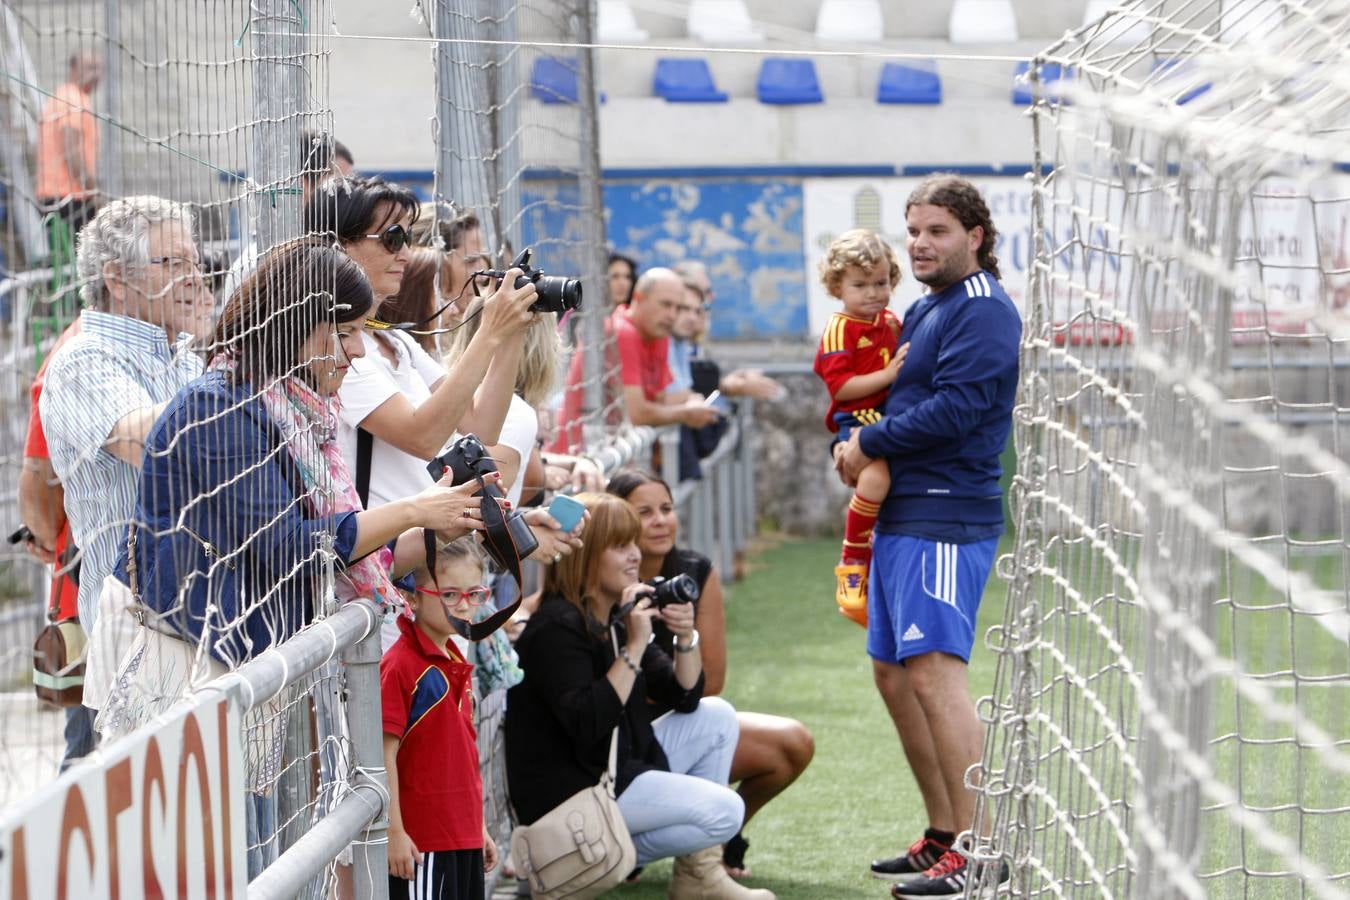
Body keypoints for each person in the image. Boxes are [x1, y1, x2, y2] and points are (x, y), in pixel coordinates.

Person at [834, 175, 1020, 897]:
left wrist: (867, 451)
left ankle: (981, 855)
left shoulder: (983, 310)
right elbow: (893, 398)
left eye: (937, 230)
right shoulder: (925, 306)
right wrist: (851, 437)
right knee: (895, 671)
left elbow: (959, 410)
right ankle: (944, 834)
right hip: (904, 511)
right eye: (914, 230)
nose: (920, 243)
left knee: (937, 671)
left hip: (946, 513)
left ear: (975, 236)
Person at [504, 494, 773, 900]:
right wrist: (633, 646)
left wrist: (685, 636)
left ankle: (697, 877)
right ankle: (577, 860)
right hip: (573, 798)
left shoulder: (614, 613)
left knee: (716, 716)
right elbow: (587, 724)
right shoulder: (557, 628)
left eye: (634, 543)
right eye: (620, 545)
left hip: (614, 770)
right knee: (725, 812)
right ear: (586, 555)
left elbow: (684, 695)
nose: (635, 555)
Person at [39, 195, 213, 717]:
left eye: (194, 263)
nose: (192, 278)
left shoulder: (183, 356)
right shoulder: (83, 359)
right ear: (117, 279)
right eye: (172, 263)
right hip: (143, 636)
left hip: (211, 624)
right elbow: (161, 446)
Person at [609, 469, 814, 883]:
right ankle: (640, 844)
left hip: (678, 717)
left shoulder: (693, 570)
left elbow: (711, 682)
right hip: (616, 739)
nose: (660, 520)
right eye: (644, 512)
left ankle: (719, 841)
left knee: (792, 742)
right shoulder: (601, 575)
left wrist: (681, 643)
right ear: (618, 521)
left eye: (666, 509)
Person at [302, 176, 533, 511]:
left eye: (407, 238)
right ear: (338, 244)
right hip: (379, 553)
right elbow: (423, 437)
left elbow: (481, 427)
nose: (407, 255)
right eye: (392, 238)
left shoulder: (395, 340)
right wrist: (489, 332)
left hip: (420, 548)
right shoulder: (334, 348)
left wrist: (512, 330)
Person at [383, 539, 498, 899]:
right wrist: (394, 832)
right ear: (413, 597)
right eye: (449, 595)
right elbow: (383, 755)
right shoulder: (401, 665)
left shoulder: (451, 657)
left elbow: (461, 759)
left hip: (461, 837)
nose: (464, 606)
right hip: (424, 843)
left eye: (473, 594)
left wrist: (477, 826)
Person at [813, 229, 906, 626]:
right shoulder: (839, 329)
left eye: (881, 283)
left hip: (893, 417)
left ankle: (880, 573)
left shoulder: (891, 320)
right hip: (859, 419)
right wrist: (887, 375)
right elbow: (842, 387)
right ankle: (852, 561)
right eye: (860, 285)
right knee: (875, 481)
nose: (873, 293)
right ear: (837, 287)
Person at [18, 319, 91, 769]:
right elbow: (37, 475)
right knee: (87, 747)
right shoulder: (76, 352)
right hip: (88, 580)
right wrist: (47, 534)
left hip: (94, 574)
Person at [554, 268, 720, 452]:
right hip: (578, 455)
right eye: (665, 305)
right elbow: (636, 413)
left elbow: (660, 400)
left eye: (677, 307)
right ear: (639, 298)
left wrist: (686, 403)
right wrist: (686, 412)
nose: (672, 315)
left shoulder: (659, 334)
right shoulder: (621, 331)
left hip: (613, 451)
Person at [222, 130, 354, 300]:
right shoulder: (260, 262)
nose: (351, 195)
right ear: (302, 185)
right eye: (339, 185)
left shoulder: (337, 247)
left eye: (350, 186)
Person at [36, 52, 102, 234]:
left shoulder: (61, 96)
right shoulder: (73, 99)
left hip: (52, 195)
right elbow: (71, 151)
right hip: (70, 197)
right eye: (90, 68)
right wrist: (93, 191)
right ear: (74, 69)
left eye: (99, 69)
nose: (96, 74)